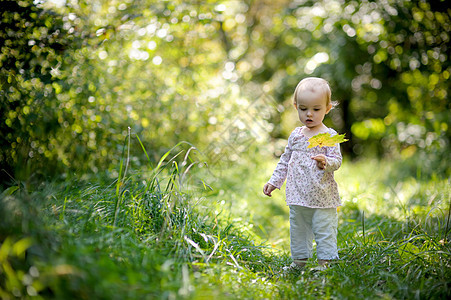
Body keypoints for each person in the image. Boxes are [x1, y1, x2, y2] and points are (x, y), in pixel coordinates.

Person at [263, 77, 342, 272]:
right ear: (296, 106)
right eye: (303, 108)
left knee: (324, 230)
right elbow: (285, 160)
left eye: (316, 109)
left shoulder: (329, 136)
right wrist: (274, 181)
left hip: (322, 197)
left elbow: (337, 160)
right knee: (298, 231)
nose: (309, 114)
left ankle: (326, 264)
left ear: (327, 108)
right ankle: (299, 263)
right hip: (298, 195)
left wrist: (327, 162)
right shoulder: (296, 135)